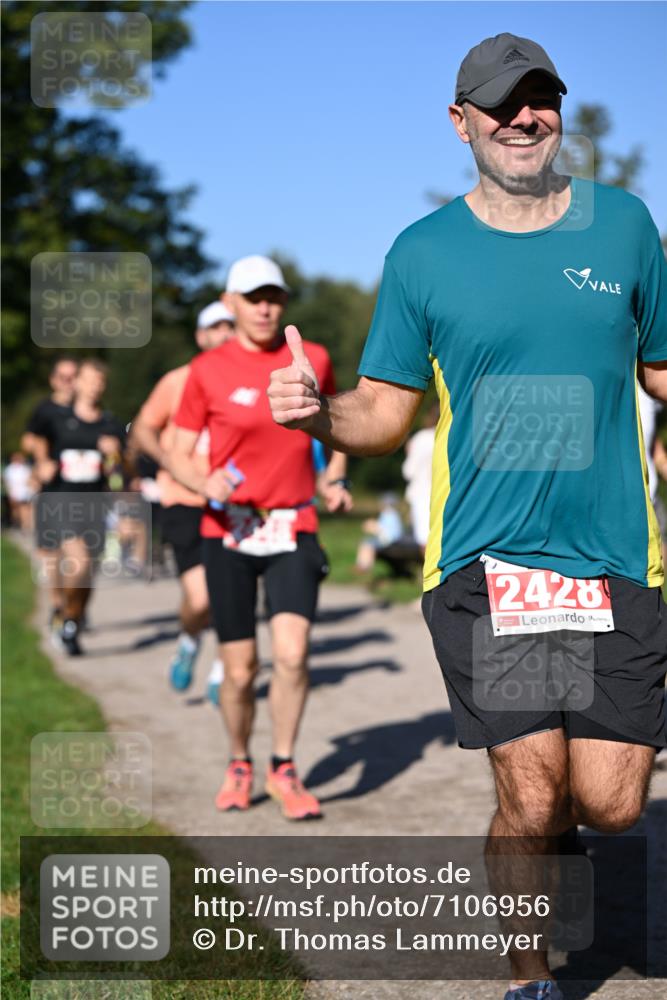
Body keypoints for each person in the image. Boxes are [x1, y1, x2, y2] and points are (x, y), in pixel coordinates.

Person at [268, 32, 667, 998]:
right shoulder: (425, 254)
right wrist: (321, 414)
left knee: (608, 806)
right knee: (530, 794)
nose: (522, 118)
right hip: (492, 565)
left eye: (540, 100)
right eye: (500, 104)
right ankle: (530, 976)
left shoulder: (623, 226)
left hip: (613, 554)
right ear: (462, 123)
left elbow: (658, 369)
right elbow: (384, 410)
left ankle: (547, 848)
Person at [170, 255, 352, 820]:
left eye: (274, 295)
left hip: (293, 523)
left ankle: (283, 766)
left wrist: (335, 477)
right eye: (253, 297)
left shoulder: (312, 358)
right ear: (231, 304)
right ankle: (237, 761)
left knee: (293, 657)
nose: (266, 306)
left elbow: (341, 423)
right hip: (227, 531)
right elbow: (177, 449)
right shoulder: (207, 369)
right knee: (242, 668)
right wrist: (204, 479)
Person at [130, 301, 236, 698]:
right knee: (201, 596)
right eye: (216, 326)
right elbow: (142, 427)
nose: (225, 332)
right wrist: (168, 463)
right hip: (185, 499)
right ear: (201, 336)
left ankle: (225, 670)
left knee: (234, 591)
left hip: (237, 503)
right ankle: (190, 642)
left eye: (231, 325)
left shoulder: (252, 379)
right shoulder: (177, 381)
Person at [32, 359, 126, 655]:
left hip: (95, 503)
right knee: (77, 560)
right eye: (89, 380)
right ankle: (62, 610)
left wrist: (116, 456)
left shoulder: (110, 424)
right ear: (78, 383)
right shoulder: (57, 418)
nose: (94, 386)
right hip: (61, 499)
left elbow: (123, 471)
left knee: (88, 573)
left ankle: (70, 618)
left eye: (100, 381)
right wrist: (42, 463)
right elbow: (36, 441)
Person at [23, 356, 78, 640]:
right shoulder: (45, 410)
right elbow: (28, 439)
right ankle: (58, 605)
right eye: (64, 377)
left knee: (78, 556)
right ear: (54, 380)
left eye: (74, 377)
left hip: (81, 492)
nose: (69, 383)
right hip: (52, 490)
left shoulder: (87, 409)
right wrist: (41, 461)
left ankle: (71, 606)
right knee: (54, 556)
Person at [401, 403, 438, 552]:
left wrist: (409, 453)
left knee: (425, 539)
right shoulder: (453, 436)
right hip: (447, 492)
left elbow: (408, 471)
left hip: (422, 494)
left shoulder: (420, 438)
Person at [354, 492, 404, 573]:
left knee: (368, 544)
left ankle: (365, 566)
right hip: (389, 540)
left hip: (390, 541)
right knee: (366, 541)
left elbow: (388, 533)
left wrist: (373, 527)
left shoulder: (389, 514)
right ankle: (362, 564)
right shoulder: (389, 514)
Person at [3, 452, 35, 530]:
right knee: (16, 510)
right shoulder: (10, 469)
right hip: (15, 492)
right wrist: (10, 492)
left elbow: (30, 479)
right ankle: (18, 523)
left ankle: (26, 525)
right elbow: (7, 481)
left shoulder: (25, 468)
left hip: (25, 492)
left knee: (25, 508)